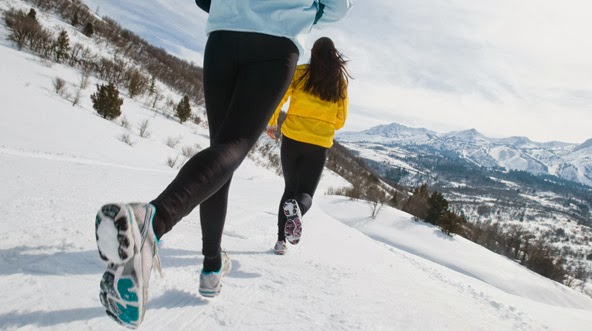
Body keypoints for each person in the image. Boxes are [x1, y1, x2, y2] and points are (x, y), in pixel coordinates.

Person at [93, 0, 352, 328]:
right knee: (232, 147)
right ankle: (152, 222)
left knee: (221, 152)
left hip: (224, 34)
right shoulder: (336, 82)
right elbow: (337, 7)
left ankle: (211, 267)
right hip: (277, 39)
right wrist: (308, 12)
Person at [266, 37, 350, 255]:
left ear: (313, 52)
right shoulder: (339, 82)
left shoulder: (301, 72)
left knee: (289, 190)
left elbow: (280, 96)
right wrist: (324, 121)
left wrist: (272, 122)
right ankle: (299, 211)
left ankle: (280, 241)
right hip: (318, 145)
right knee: (305, 194)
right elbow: (341, 119)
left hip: (292, 139)